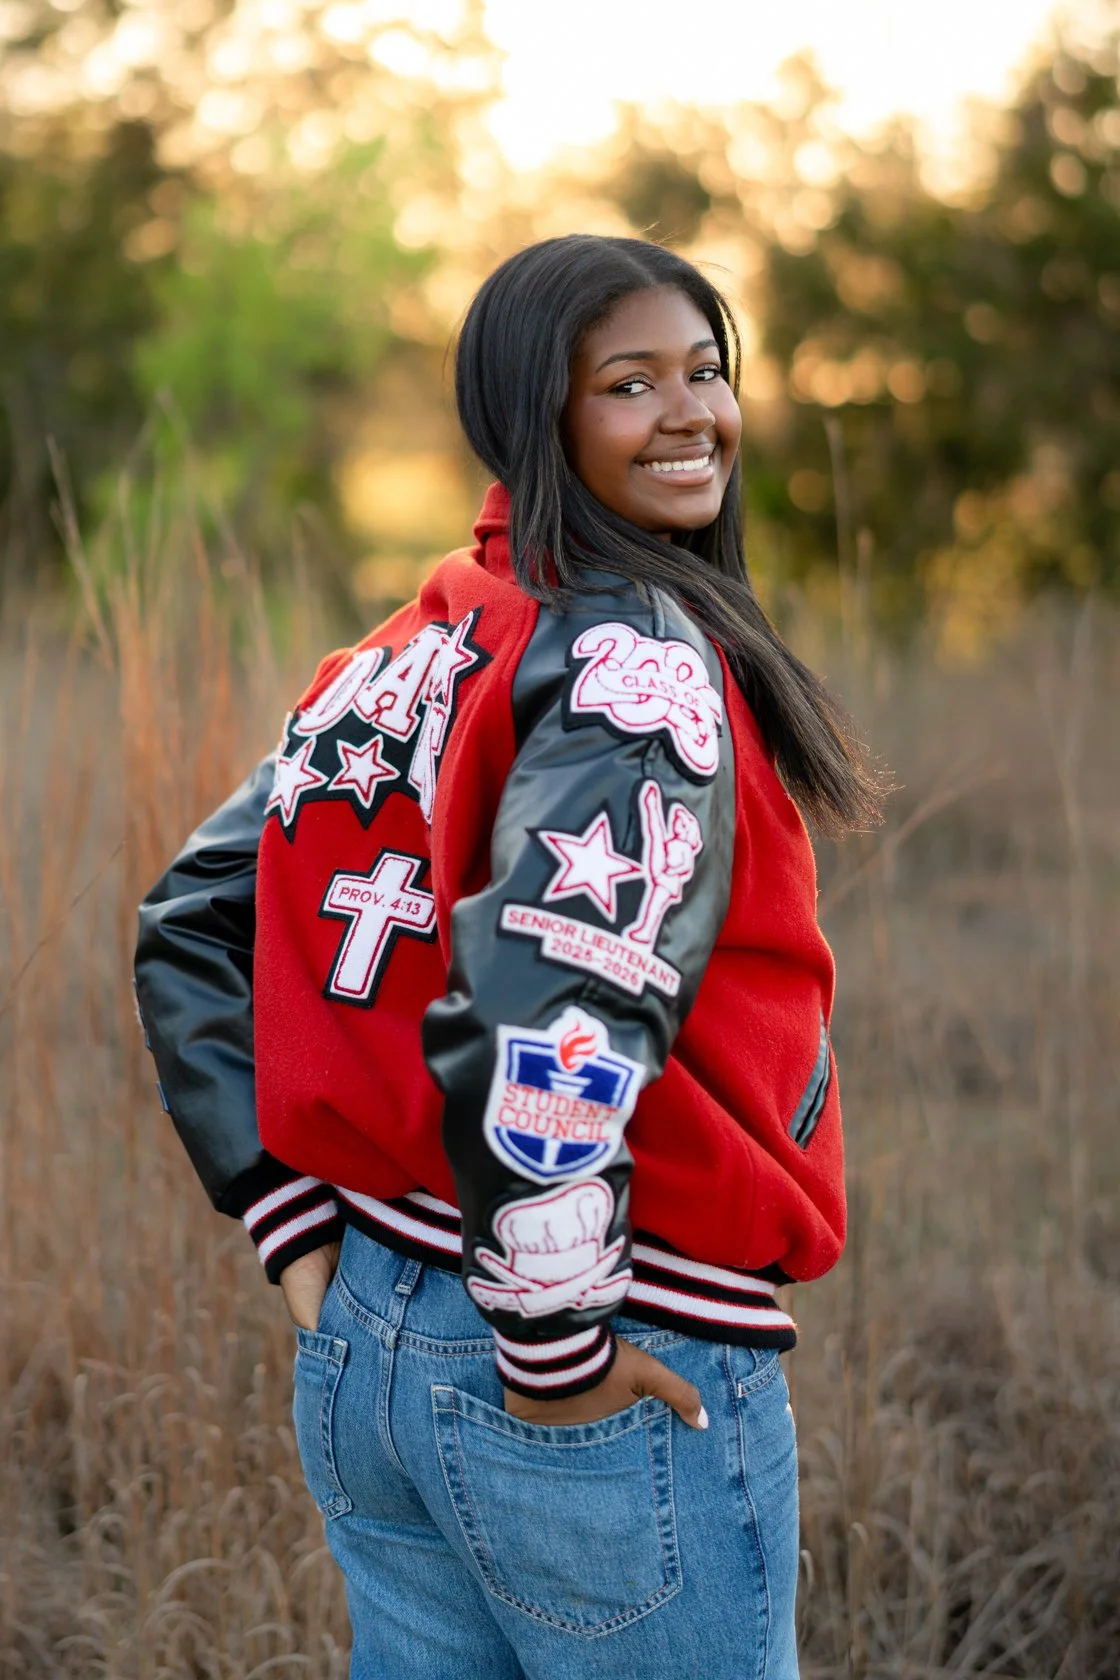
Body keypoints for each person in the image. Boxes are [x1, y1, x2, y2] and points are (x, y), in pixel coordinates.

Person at [134, 234, 882, 1680]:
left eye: (706, 370)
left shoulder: (414, 642)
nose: (691, 413)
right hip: (590, 1338)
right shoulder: (636, 663)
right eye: (629, 383)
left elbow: (187, 917)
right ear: (538, 415)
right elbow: (552, 1006)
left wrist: (298, 1230)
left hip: (373, 1337)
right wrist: (554, 1345)